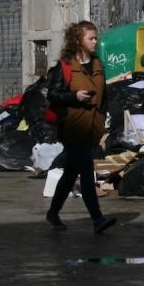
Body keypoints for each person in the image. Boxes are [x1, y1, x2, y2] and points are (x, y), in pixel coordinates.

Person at [44, 21, 116, 234]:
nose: (95, 42)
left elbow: (104, 95)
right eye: (90, 38)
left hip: (93, 127)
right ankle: (97, 219)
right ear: (78, 40)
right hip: (72, 128)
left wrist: (104, 117)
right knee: (86, 170)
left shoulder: (97, 64)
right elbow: (52, 95)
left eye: (96, 38)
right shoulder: (65, 66)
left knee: (70, 174)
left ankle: (53, 213)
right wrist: (74, 96)